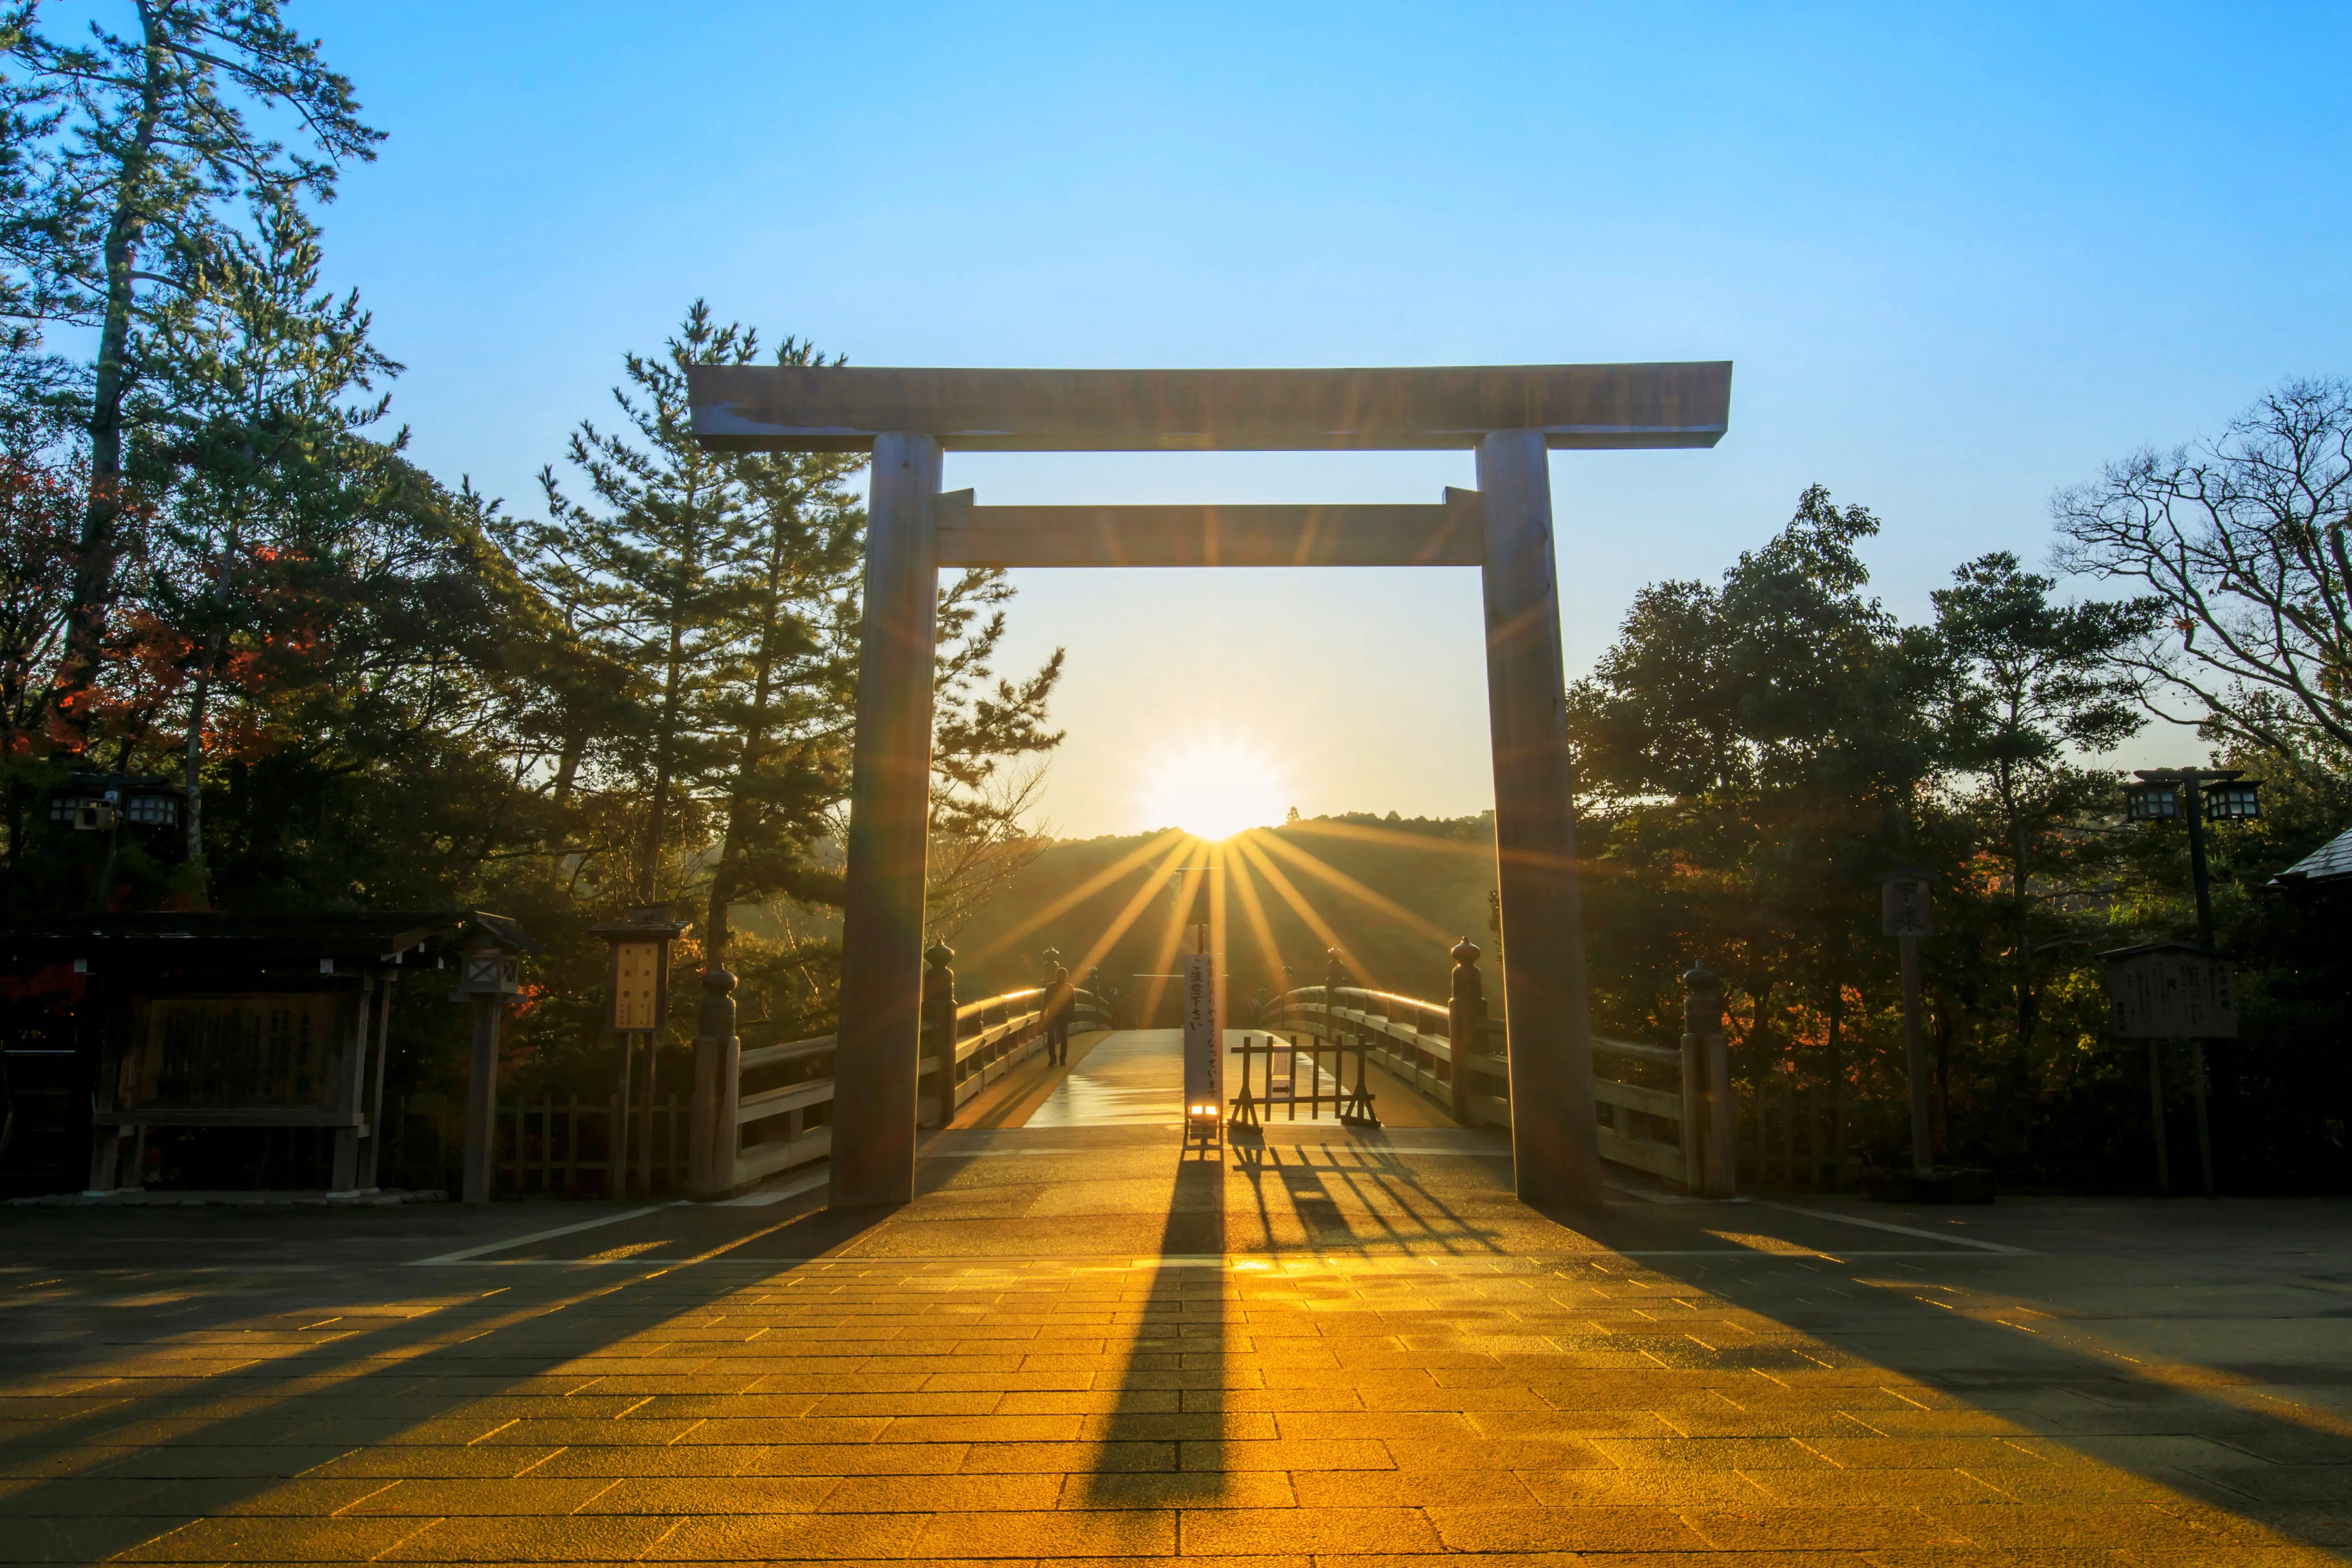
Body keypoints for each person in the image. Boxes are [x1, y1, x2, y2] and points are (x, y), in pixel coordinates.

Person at [1042, 948, 1073, 1066]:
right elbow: (1045, 1002)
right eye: (1060, 975)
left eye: (1064, 975)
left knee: (1064, 1039)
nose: (1062, 977)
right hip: (1052, 1016)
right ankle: (1053, 1058)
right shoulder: (1051, 987)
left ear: (1066, 976)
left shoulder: (1069, 988)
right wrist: (1042, 1015)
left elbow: (1072, 1003)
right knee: (1051, 1037)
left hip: (1064, 1017)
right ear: (1056, 975)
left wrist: (1071, 1016)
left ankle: (1063, 1059)